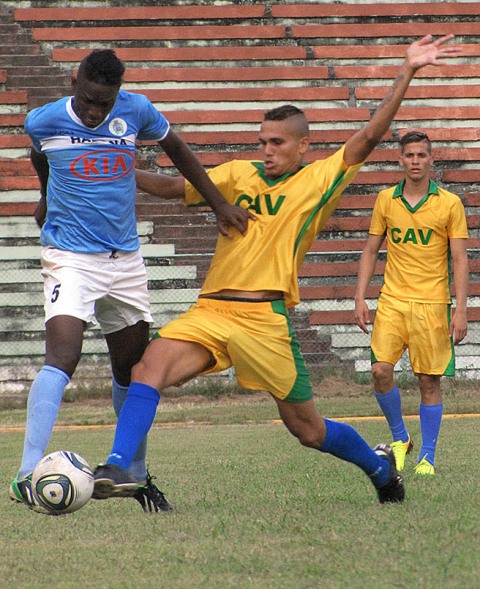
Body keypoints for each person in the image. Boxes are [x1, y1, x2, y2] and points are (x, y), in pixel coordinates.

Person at [92, 35, 461, 505]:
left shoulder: (317, 180)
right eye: (262, 141)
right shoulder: (236, 173)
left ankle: (379, 466)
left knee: (307, 430)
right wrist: (108, 166)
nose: (266, 150)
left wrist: (405, 72)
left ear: (303, 146)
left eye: (277, 142)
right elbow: (170, 188)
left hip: (267, 322)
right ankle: (122, 465)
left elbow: (368, 137)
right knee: (148, 367)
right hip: (212, 312)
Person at [9, 48, 252, 515]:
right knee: (64, 353)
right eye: (89, 101)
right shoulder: (43, 120)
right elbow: (38, 156)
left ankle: (134, 474)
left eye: (106, 102)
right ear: (75, 82)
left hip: (125, 260)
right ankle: (25, 472)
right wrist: (44, 198)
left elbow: (177, 149)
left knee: (133, 368)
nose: (97, 112)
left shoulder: (137, 110)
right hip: (70, 257)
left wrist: (218, 203)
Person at [354, 130, 468, 475]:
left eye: (422, 155)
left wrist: (461, 309)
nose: (416, 161)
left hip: (433, 304)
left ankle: (428, 458)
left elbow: (460, 259)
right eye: (410, 155)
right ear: (400, 160)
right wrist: (360, 295)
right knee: (379, 371)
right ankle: (401, 438)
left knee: (428, 381)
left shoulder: (450, 203)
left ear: (431, 160)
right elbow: (372, 249)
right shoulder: (386, 200)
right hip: (392, 302)